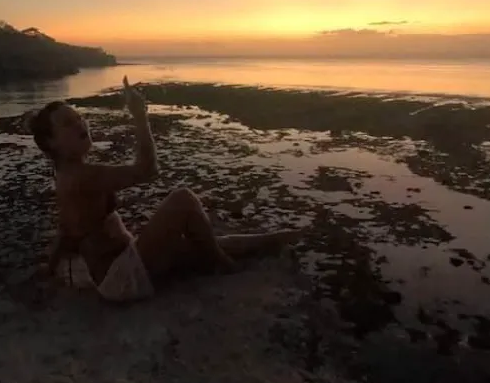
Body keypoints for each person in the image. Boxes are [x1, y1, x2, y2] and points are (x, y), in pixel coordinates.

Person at [29, 76, 300, 302]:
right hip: (121, 275)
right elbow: (147, 170)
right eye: (68, 123)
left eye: (78, 117)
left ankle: (274, 239)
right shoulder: (81, 176)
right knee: (182, 199)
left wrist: (49, 268)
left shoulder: (66, 174)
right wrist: (140, 116)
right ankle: (222, 265)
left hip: (125, 265)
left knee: (202, 243)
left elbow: (66, 227)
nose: (80, 124)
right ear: (52, 143)